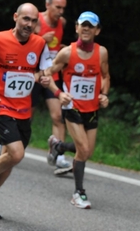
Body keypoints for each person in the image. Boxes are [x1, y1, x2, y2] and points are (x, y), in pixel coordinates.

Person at [0, 3, 52, 219]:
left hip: (23, 109)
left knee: (10, 159)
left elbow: (44, 72)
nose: (29, 24)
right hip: (0, 104)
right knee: (16, 153)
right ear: (15, 17)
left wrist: (44, 78)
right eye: (25, 19)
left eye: (33, 21)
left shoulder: (40, 44)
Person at [44, 11, 110, 209]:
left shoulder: (102, 53)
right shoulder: (67, 53)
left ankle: (59, 146)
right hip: (72, 107)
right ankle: (78, 193)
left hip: (92, 109)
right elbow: (46, 73)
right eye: (83, 25)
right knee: (82, 149)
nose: (86, 28)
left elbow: (106, 76)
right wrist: (58, 94)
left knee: (87, 151)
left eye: (91, 26)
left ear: (97, 30)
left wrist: (104, 94)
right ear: (76, 28)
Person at [31, 0, 72, 175]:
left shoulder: (61, 23)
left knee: (57, 116)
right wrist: (40, 39)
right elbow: (20, 43)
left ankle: (59, 156)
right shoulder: (35, 20)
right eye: (58, 7)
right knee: (26, 117)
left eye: (63, 8)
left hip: (51, 76)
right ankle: (8, 144)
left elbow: (55, 46)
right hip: (33, 75)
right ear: (47, 6)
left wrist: (62, 49)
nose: (61, 12)